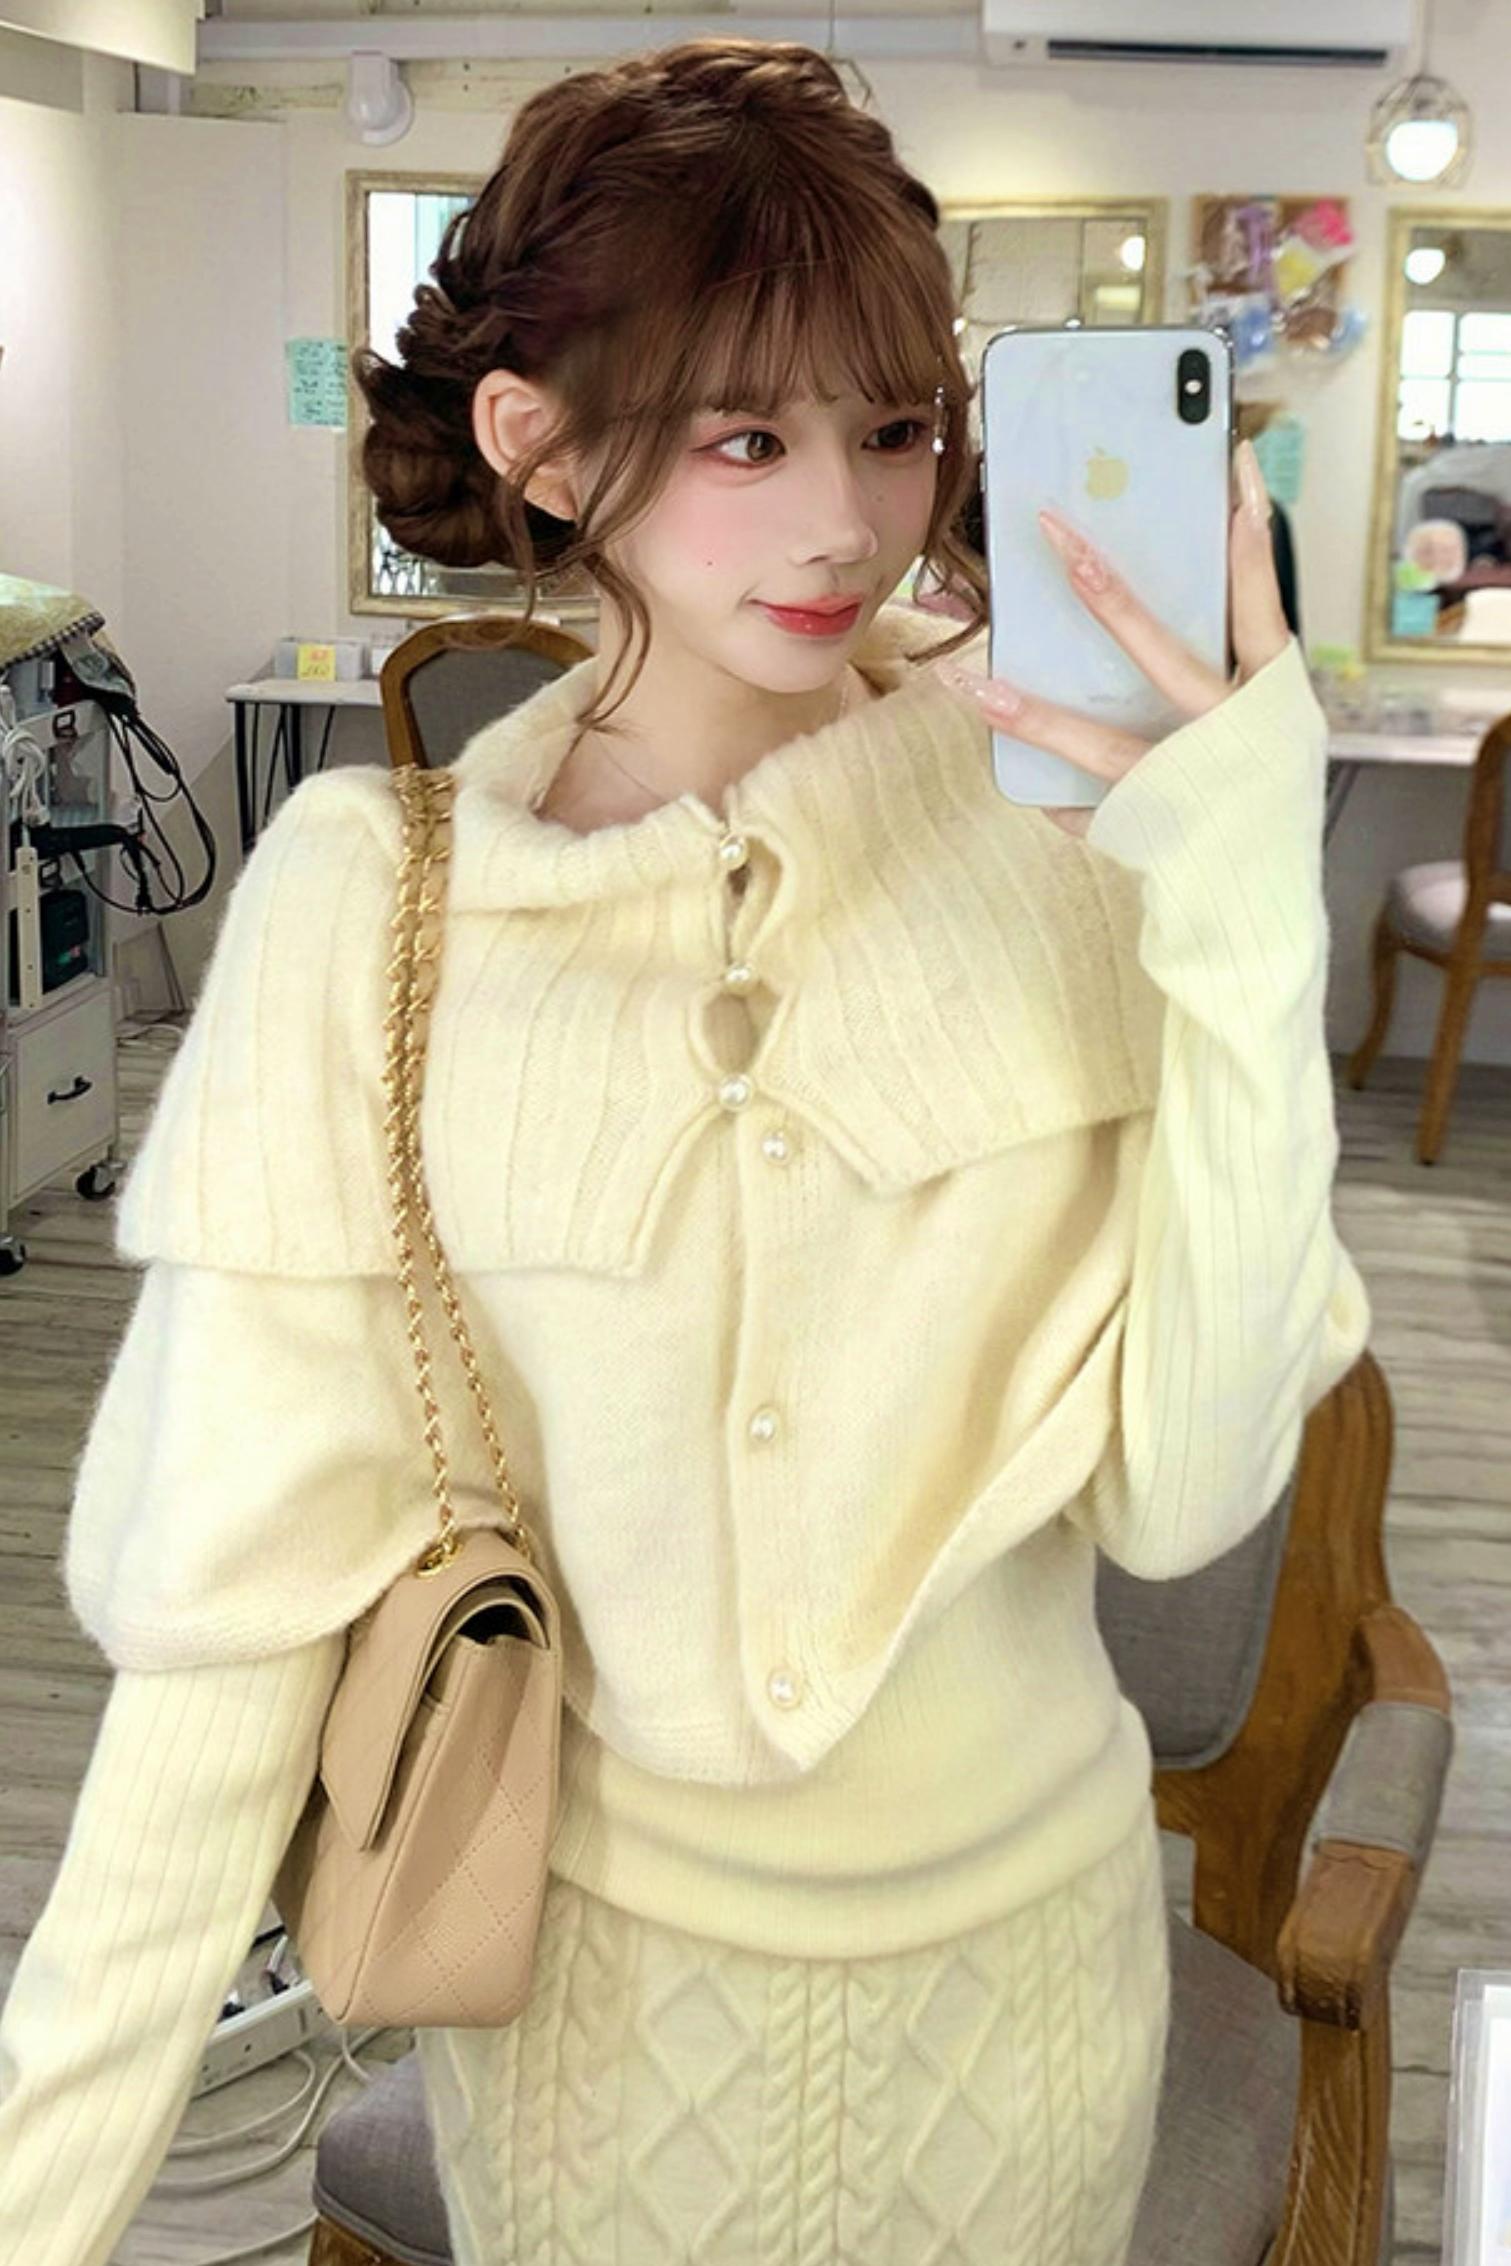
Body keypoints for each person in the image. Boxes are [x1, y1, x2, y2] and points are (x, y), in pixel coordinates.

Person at [0, 36, 1371, 2266]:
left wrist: (1234, 893)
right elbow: (224, 1638)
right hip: (602, 2069)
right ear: (539, 442)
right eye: (748, 437)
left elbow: (1187, 1490)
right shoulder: (371, 911)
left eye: (894, 427)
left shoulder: (1082, 849)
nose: (846, 519)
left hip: (1029, 2031)